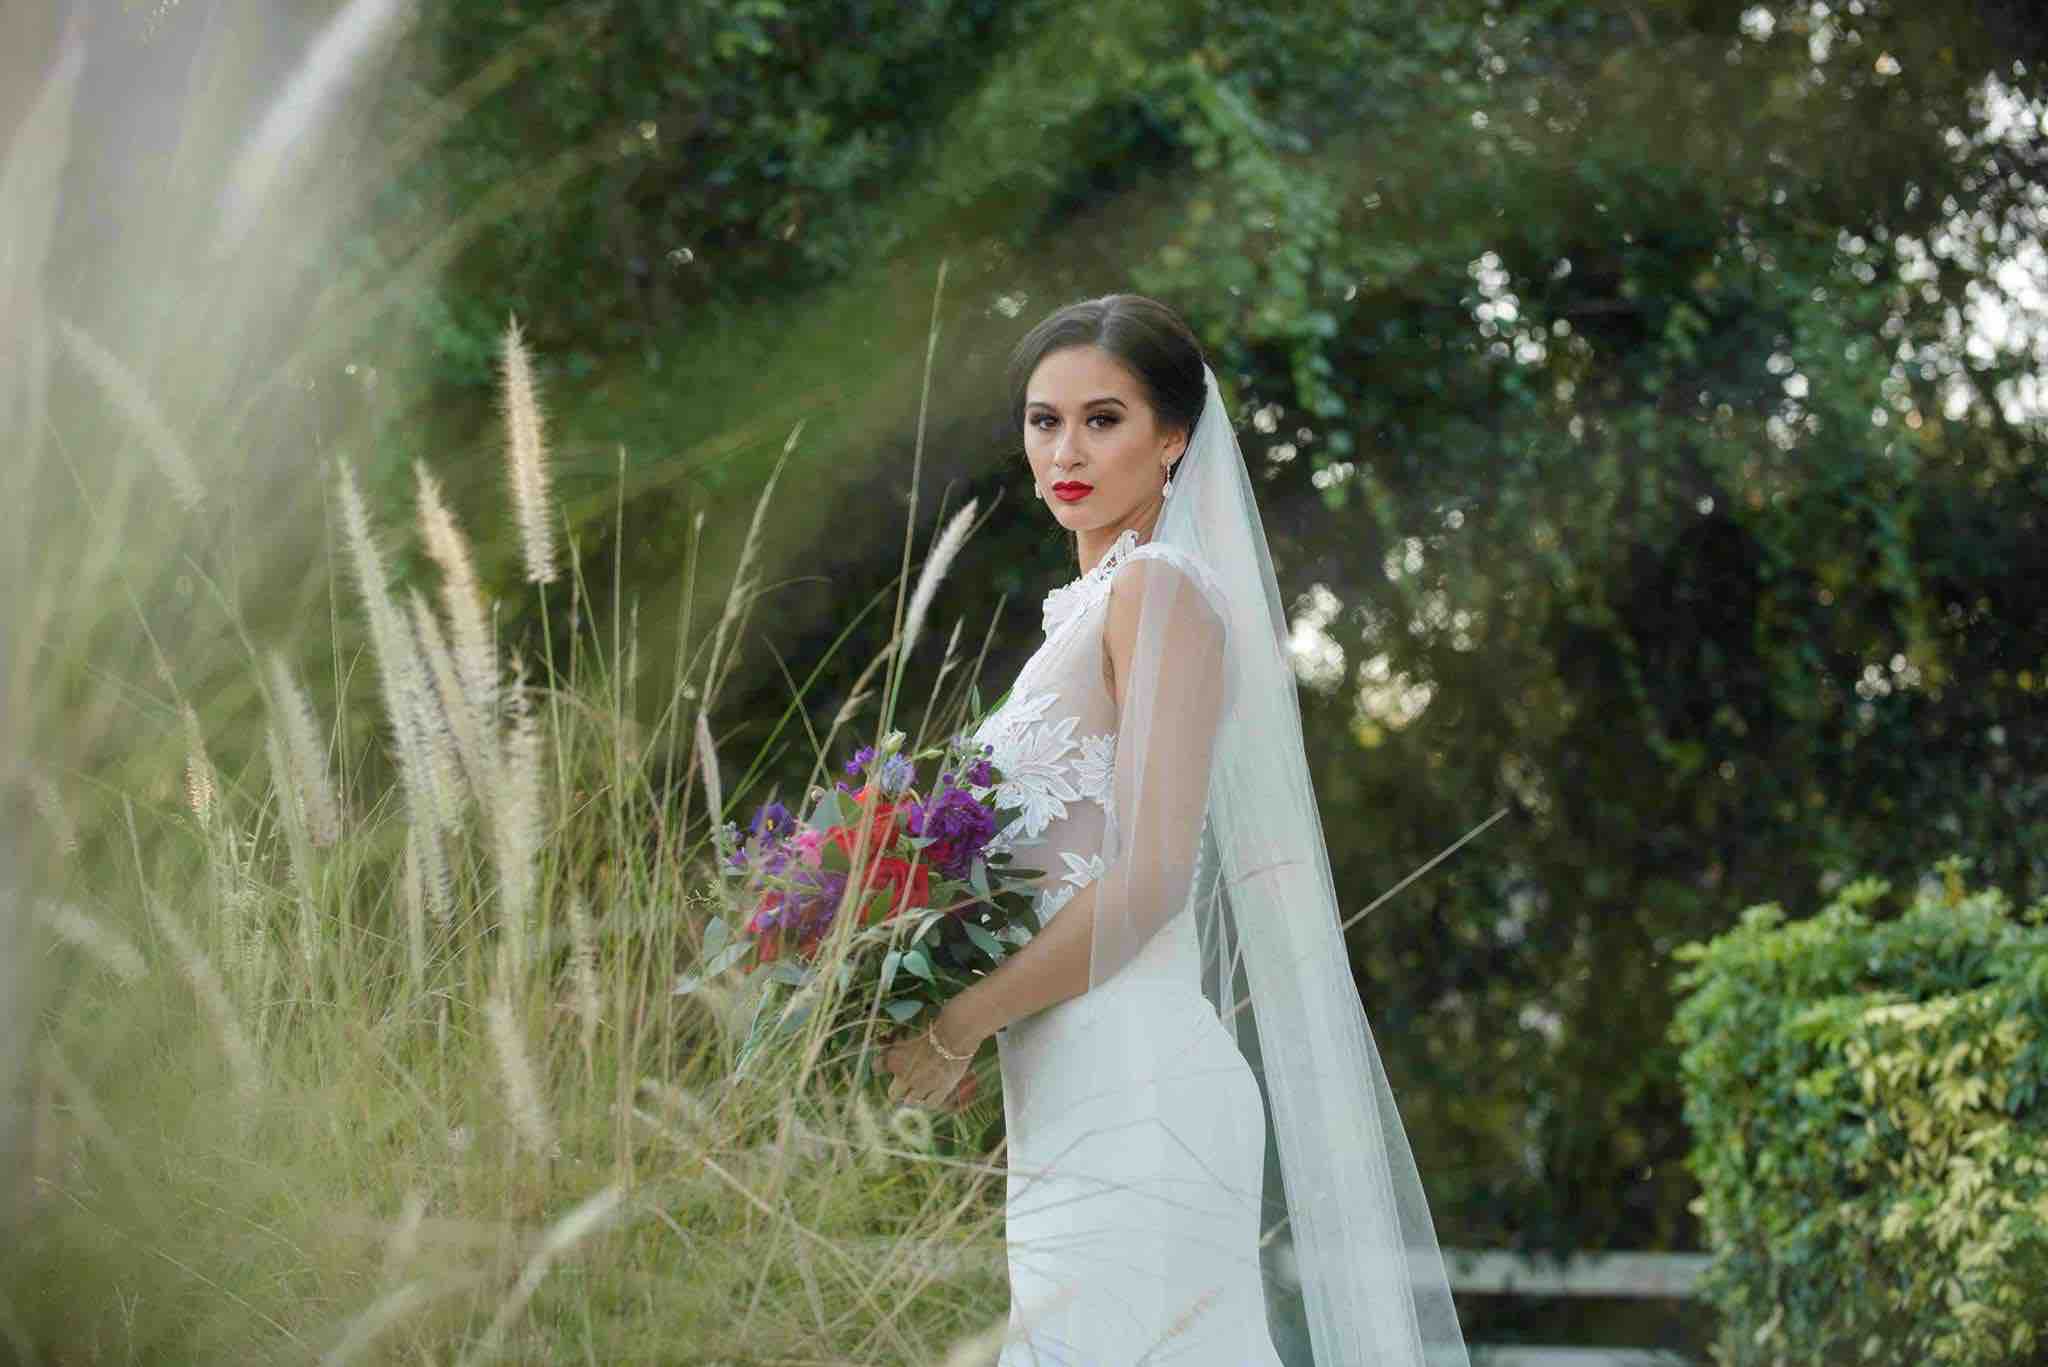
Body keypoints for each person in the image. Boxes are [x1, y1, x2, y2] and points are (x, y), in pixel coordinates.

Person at [879, 294, 1471, 1365]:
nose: (1064, 449)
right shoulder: (1088, 607)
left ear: (1172, 438)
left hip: (1137, 1085)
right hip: (1062, 1090)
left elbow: (1147, 877)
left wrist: (954, 1021)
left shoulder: (1159, 590)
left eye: (1101, 419)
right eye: (1041, 419)